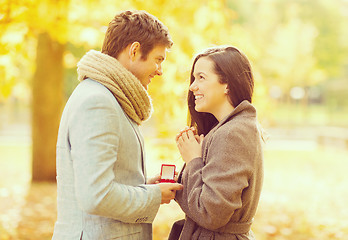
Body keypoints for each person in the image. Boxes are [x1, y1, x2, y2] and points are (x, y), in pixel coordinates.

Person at [52, 10, 183, 240]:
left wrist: (145, 186)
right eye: (158, 59)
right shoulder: (98, 101)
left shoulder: (110, 97)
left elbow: (105, 180)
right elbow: (96, 195)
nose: (160, 71)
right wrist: (152, 196)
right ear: (134, 51)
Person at [172, 46, 264, 240]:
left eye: (201, 78)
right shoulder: (225, 129)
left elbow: (210, 214)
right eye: (193, 78)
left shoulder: (234, 133)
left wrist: (194, 160)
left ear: (227, 84)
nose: (192, 86)